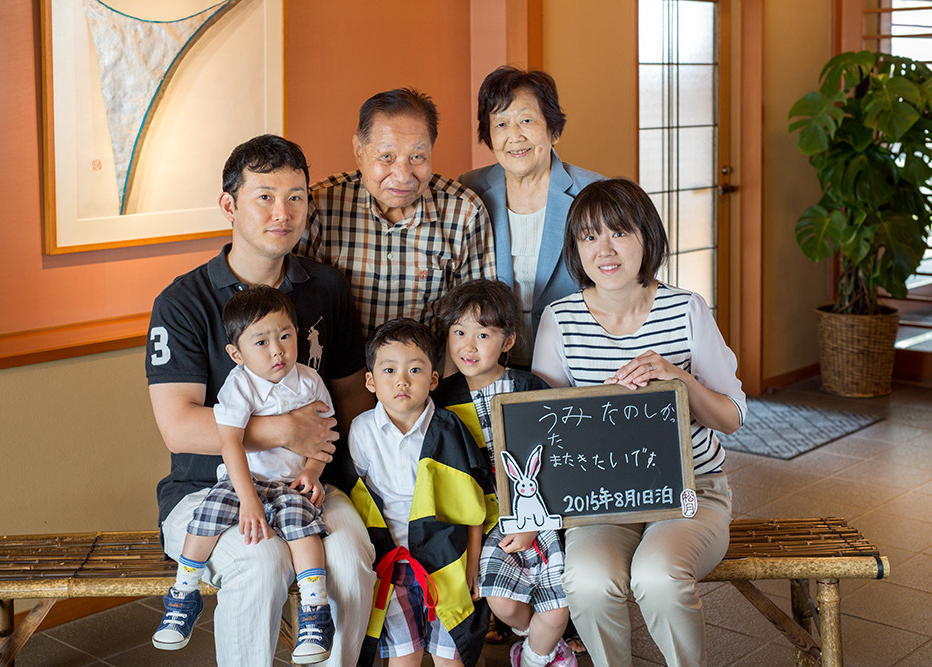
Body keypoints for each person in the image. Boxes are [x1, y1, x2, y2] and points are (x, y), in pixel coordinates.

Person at [146, 134, 377, 665]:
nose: (283, 213)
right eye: (265, 197)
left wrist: (325, 465)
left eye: (296, 197)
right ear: (229, 206)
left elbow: (350, 399)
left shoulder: (326, 287)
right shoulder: (183, 302)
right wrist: (286, 430)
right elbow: (179, 427)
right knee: (262, 562)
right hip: (208, 488)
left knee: (347, 559)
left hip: (306, 482)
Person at [531, 179, 746, 667]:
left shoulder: (685, 309)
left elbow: (732, 417)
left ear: (647, 236)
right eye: (589, 237)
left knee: (658, 575)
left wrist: (678, 379)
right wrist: (600, 406)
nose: (604, 250)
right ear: (576, 249)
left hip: (692, 491)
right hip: (600, 500)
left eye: (619, 233)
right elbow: (545, 430)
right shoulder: (560, 320)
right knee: (587, 580)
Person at [152, 286, 336, 662]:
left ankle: (315, 611)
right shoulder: (239, 385)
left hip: (289, 483)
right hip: (243, 480)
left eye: (285, 336)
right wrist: (248, 500)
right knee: (207, 516)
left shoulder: (310, 381)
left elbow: (324, 437)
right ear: (236, 354)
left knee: (304, 528)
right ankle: (183, 595)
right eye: (262, 342)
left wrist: (313, 472)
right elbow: (231, 444)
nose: (277, 351)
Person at [431, 279, 576, 667]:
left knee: (557, 609)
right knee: (503, 602)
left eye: (483, 335)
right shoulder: (442, 400)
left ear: (508, 340)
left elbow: (556, 457)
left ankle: (535, 655)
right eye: (459, 332)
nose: (468, 346)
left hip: (538, 512)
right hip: (483, 519)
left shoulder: (527, 387)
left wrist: (532, 521)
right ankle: (543, 642)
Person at [347, 319, 493, 667]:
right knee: (404, 658)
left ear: (433, 379)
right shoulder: (362, 431)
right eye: (389, 370)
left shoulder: (449, 428)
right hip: (392, 562)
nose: (402, 381)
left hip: (448, 559)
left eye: (415, 370)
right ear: (370, 381)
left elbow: (472, 505)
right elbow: (359, 501)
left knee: (450, 657)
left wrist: (473, 563)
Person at [301, 87, 497, 337]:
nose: (403, 176)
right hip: (336, 362)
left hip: (429, 361)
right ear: (359, 151)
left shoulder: (464, 213)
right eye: (387, 156)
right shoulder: (319, 205)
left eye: (417, 157)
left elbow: (477, 324)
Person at [459, 66, 605, 366]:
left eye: (526, 120)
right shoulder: (470, 191)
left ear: (554, 130)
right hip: (492, 365)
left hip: (576, 358)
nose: (514, 136)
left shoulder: (593, 193)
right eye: (501, 124)